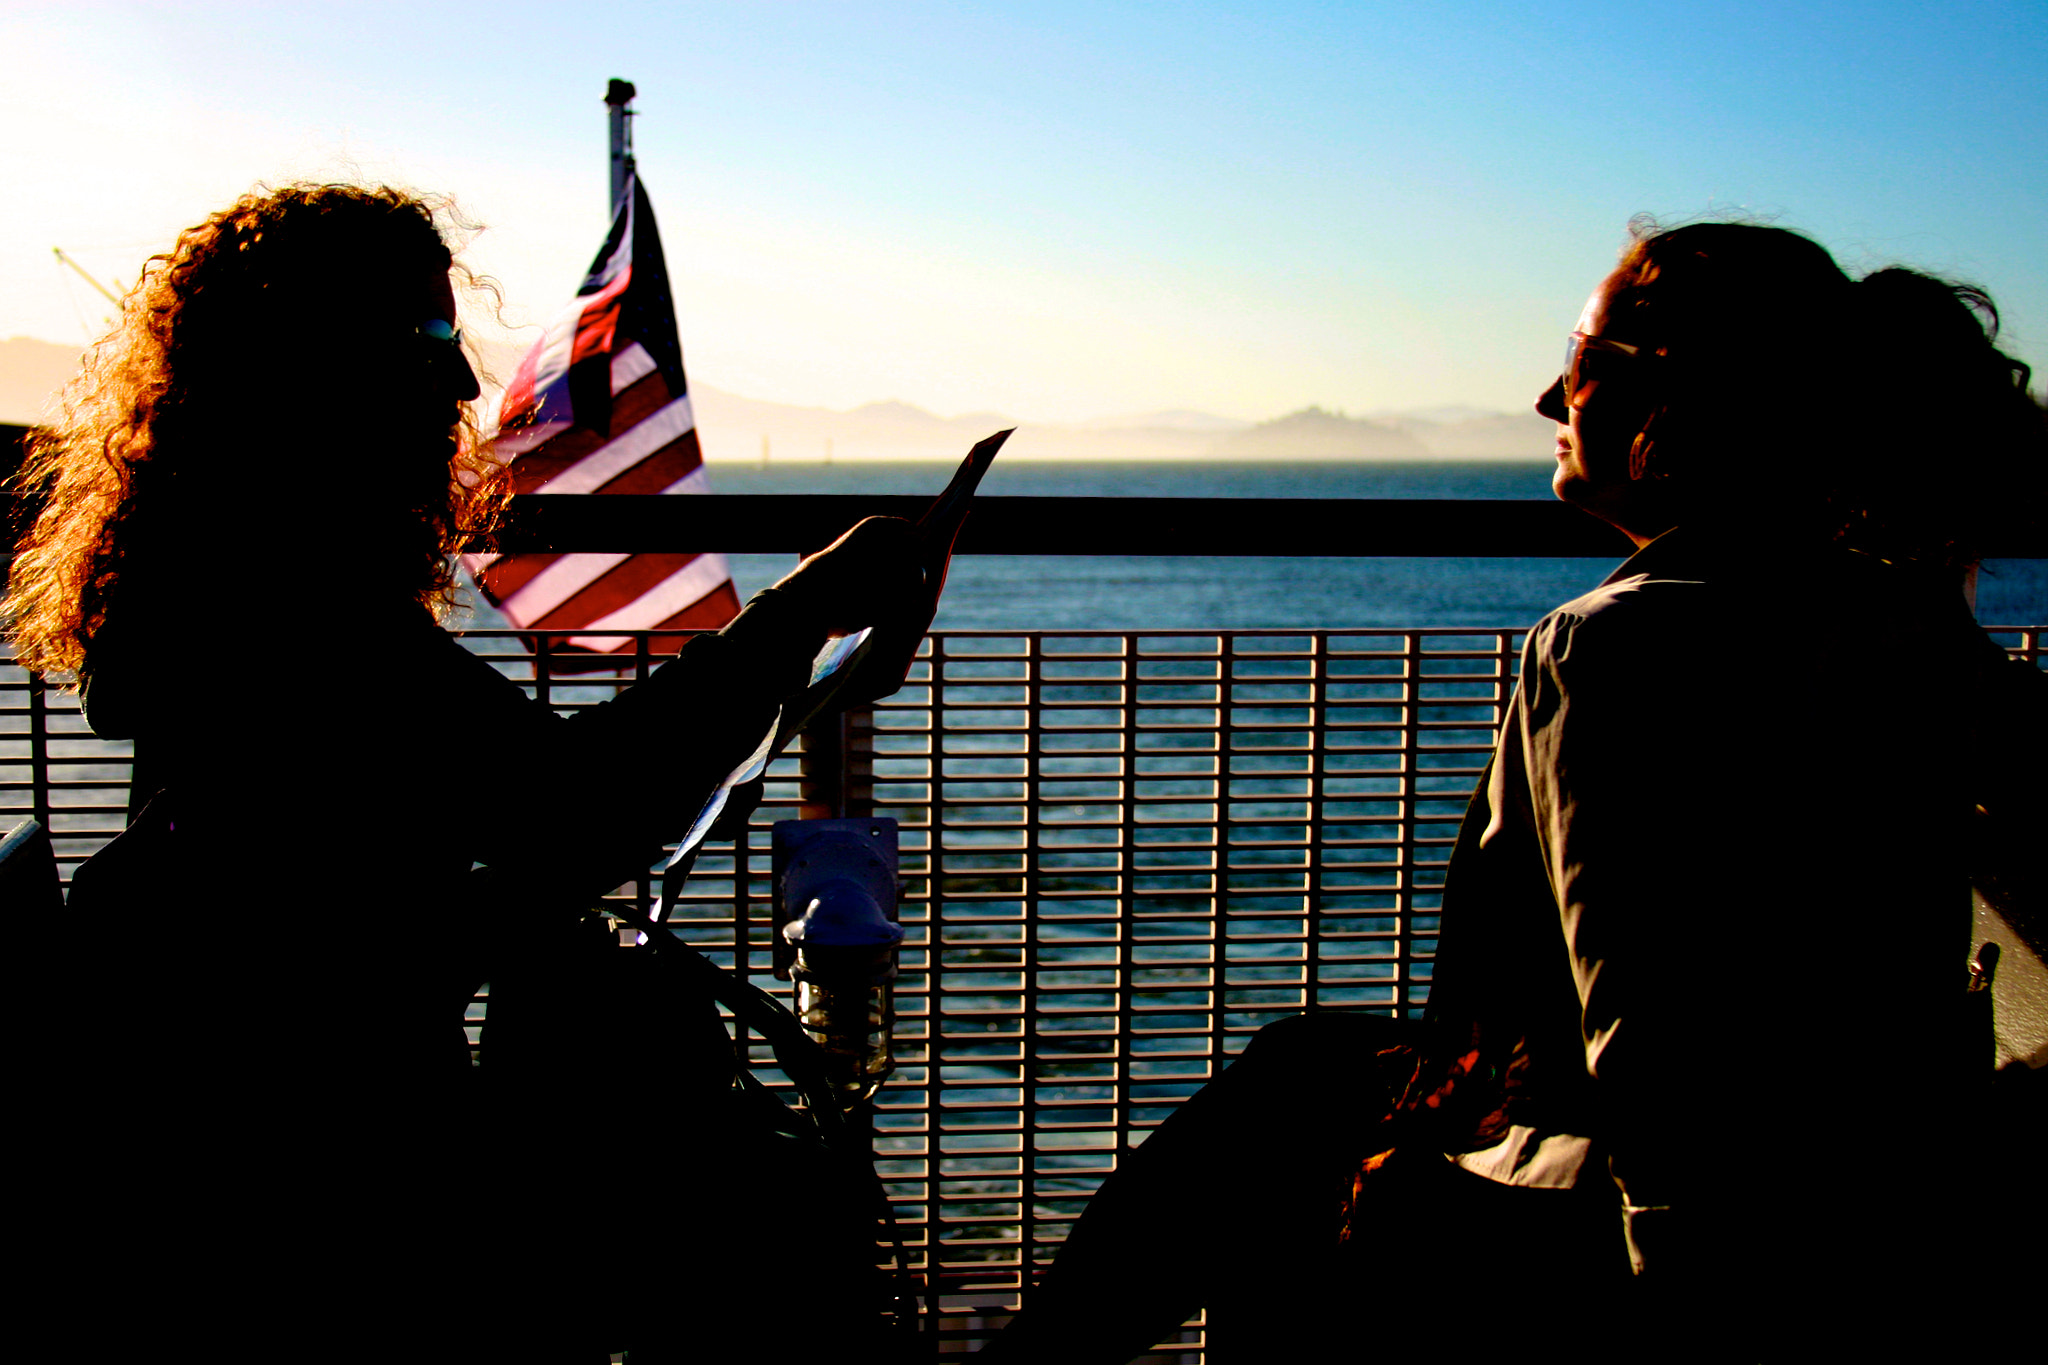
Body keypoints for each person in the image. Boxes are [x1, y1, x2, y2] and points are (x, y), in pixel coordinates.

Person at [983, 221, 2046, 1362]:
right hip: (1878, 1178)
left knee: (1282, 1127)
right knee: (1305, 1070)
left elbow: (1663, 1064)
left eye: (1579, 359)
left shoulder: (1614, 648)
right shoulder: (1913, 621)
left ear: (1666, 407)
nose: (1547, 395)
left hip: (1651, 1237)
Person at [7, 183, 925, 1358]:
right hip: (317, 1180)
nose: (459, 385)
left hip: (220, 1124)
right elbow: (579, 805)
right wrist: (797, 609)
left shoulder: (208, 583)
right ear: (313, 367)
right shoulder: (300, 613)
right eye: (430, 339)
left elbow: (325, 872)